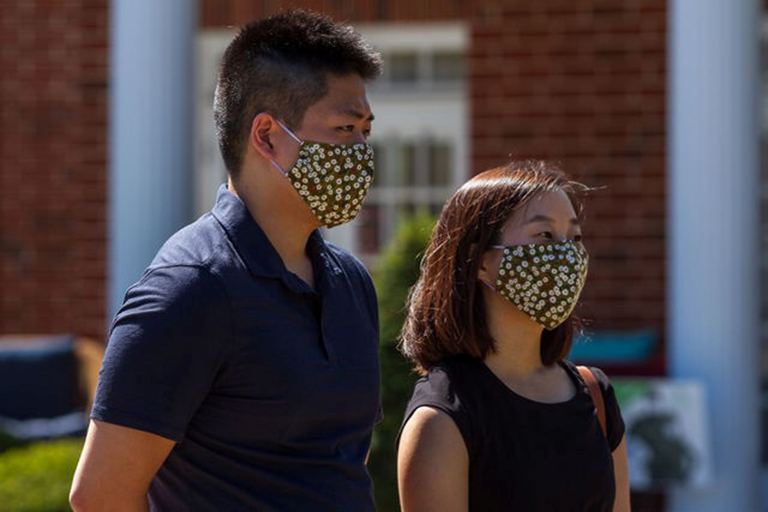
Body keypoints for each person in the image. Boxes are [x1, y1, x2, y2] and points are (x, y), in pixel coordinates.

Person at [70, 10, 383, 512]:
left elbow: (340, 461)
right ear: (266, 135)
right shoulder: (191, 289)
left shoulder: (350, 283)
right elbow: (99, 496)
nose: (361, 151)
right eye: (345, 128)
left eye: (365, 131)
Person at [396, 161, 630, 512]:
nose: (567, 254)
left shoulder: (595, 396)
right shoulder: (441, 418)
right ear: (481, 262)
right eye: (545, 236)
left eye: (575, 237)